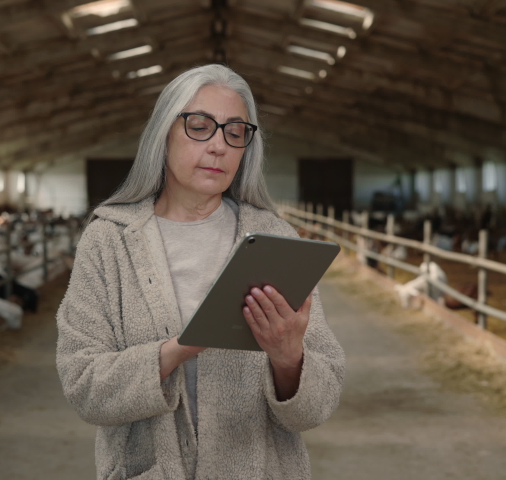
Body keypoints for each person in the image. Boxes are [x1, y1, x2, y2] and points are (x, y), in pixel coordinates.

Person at [56, 64, 345, 479]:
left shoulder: (274, 237)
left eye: (235, 132)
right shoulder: (110, 241)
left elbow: (318, 403)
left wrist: (289, 360)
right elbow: (84, 385)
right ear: (164, 132)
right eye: (199, 126)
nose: (218, 146)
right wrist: (177, 350)